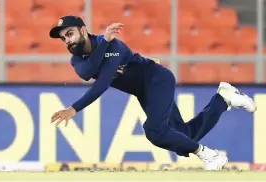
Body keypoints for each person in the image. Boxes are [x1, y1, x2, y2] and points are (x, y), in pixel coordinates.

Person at [49, 15, 257, 170]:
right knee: (184, 136)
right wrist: (103, 43)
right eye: (63, 38)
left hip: (157, 80)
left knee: (155, 131)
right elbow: (87, 72)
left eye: (70, 34)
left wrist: (74, 108)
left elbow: (102, 83)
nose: (67, 41)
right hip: (144, 92)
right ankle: (223, 99)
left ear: (83, 31)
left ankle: (209, 155)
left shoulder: (115, 46)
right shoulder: (78, 59)